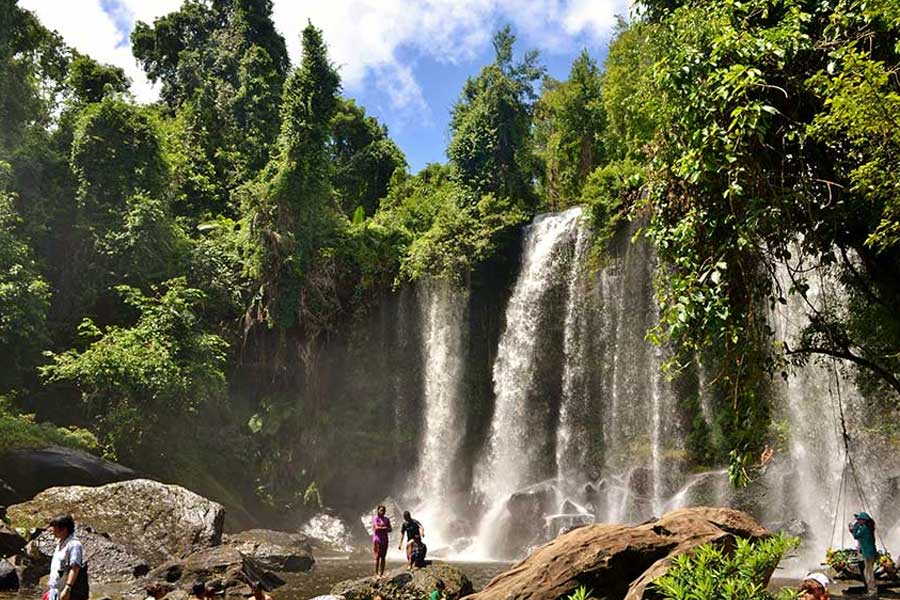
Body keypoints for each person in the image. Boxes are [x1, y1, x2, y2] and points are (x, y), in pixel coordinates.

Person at [46, 514, 88, 600]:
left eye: (55, 528)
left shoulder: (74, 545)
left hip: (65, 590)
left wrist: (67, 588)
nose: (52, 531)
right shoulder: (60, 543)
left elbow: (75, 568)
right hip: (55, 589)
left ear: (64, 529)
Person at [850, 511, 878, 598]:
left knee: (868, 573)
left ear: (864, 520)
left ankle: (872, 591)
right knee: (868, 572)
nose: (858, 521)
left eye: (859, 520)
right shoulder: (868, 527)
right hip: (870, 553)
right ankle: (871, 590)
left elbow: (856, 535)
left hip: (868, 554)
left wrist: (853, 527)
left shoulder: (865, 528)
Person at [372, 505, 392, 578]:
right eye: (381, 510)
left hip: (385, 539)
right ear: (378, 511)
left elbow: (390, 529)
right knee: (377, 556)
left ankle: (382, 573)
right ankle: (376, 573)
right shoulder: (375, 518)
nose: (382, 512)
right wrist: (385, 528)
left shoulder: (386, 519)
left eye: (383, 510)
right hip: (377, 539)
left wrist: (383, 528)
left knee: (383, 557)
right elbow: (376, 528)